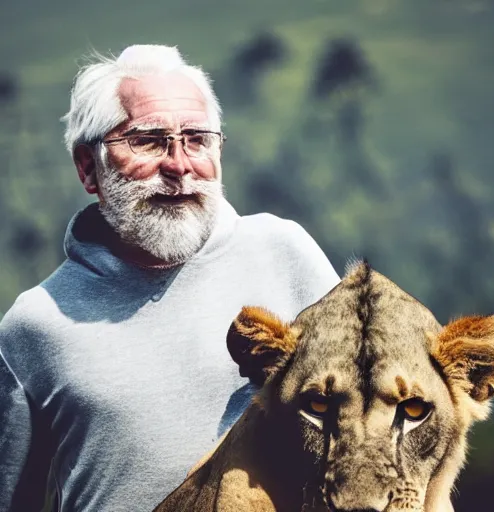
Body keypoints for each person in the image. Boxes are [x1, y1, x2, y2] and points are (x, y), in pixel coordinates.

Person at [0, 44, 339, 512]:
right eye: (148, 140)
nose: (179, 165)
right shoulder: (33, 325)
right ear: (87, 167)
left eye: (197, 139)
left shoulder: (285, 252)